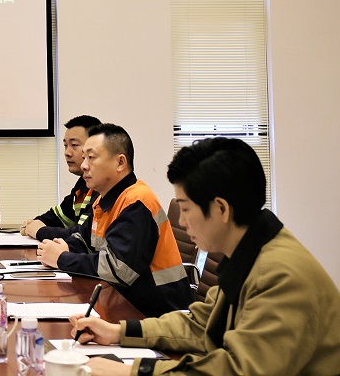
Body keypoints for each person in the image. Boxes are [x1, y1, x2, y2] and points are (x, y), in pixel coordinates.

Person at [70, 137, 340, 376]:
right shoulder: (250, 252)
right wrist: (118, 332)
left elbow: (239, 371)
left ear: (221, 209)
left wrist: (131, 371)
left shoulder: (280, 275)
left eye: (186, 209)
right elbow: (201, 324)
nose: (182, 222)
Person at [38, 123, 193, 318]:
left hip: (158, 314)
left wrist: (62, 258)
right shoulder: (104, 199)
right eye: (84, 157)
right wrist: (63, 247)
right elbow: (84, 238)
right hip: (123, 302)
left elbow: (118, 270)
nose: (84, 165)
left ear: (120, 163)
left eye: (91, 157)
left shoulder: (136, 202)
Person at [21, 115, 102, 240]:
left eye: (74, 145)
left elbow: (84, 235)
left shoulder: (104, 188)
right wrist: (36, 223)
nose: (67, 152)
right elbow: (59, 216)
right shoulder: (82, 184)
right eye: (65, 145)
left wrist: (40, 231)